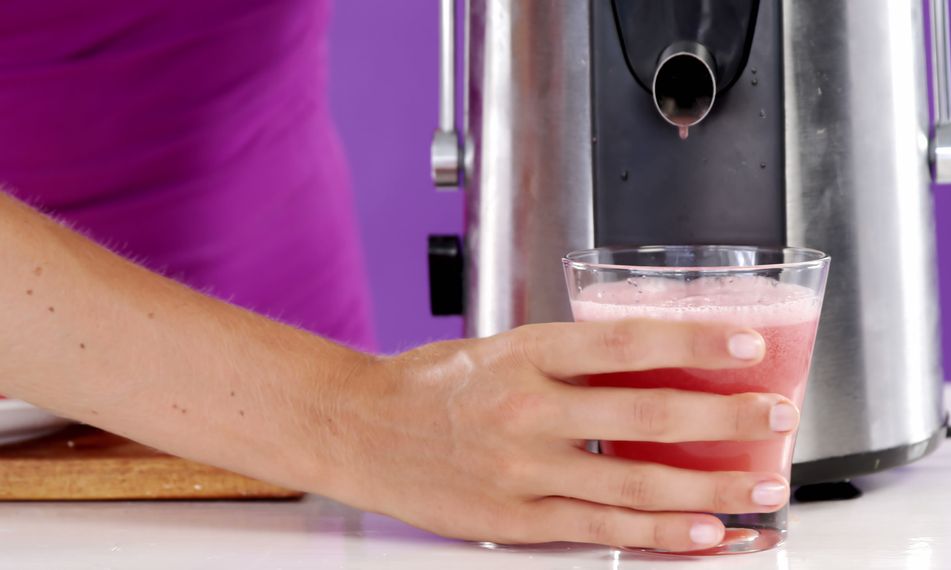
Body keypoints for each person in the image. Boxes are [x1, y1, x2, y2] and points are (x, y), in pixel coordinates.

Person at [0, 0, 797, 552]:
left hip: (273, 368)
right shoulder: (355, 422)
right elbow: (353, 420)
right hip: (306, 412)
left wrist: (356, 419)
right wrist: (348, 419)